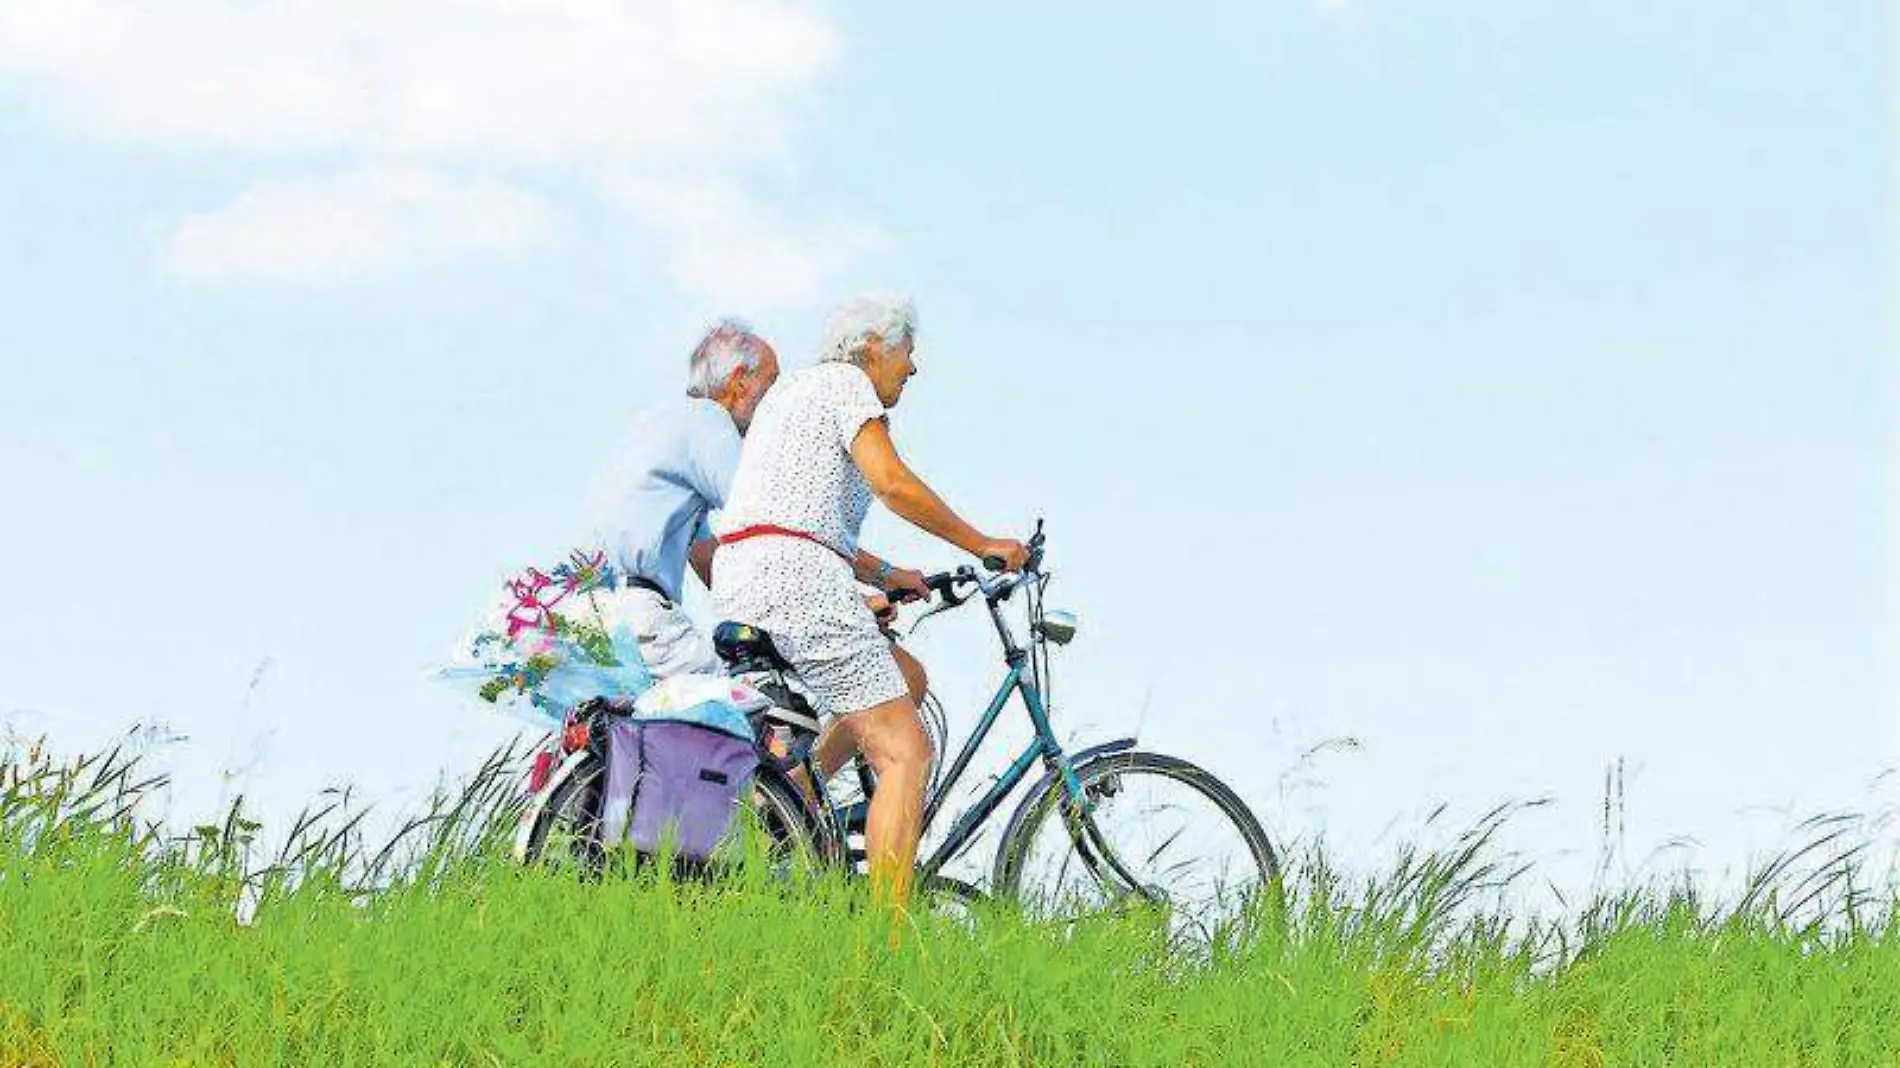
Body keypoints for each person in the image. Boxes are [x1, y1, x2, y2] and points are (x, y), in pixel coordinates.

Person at [712, 294, 1029, 909]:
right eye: (908, 353)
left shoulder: (794, 395)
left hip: (750, 573)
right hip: (796, 577)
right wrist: (983, 542)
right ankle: (884, 945)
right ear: (875, 348)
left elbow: (790, 513)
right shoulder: (847, 385)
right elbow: (892, 482)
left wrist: (885, 575)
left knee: (905, 677)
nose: (913, 369)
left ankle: (796, 794)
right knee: (905, 750)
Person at [583, 319, 779, 682]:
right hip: (640, 618)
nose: (776, 402)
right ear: (739, 380)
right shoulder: (709, 420)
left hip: (592, 616)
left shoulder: (659, 423)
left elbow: (709, 560)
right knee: (756, 711)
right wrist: (849, 598)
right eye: (772, 384)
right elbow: (770, 517)